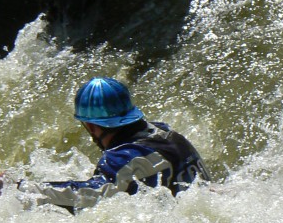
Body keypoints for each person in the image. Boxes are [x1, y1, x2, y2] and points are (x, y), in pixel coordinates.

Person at [18, 77, 211, 212]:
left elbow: (86, 196)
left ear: (91, 126)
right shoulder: (169, 134)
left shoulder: (125, 157)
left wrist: (22, 188)